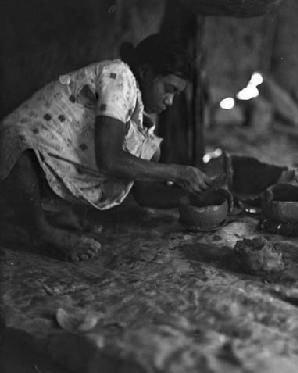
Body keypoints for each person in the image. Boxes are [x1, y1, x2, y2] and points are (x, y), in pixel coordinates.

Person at [0, 34, 211, 262]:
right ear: (146, 71)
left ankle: (56, 214)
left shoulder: (136, 115)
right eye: (168, 89)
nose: (169, 101)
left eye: (175, 94)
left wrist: (196, 198)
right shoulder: (119, 76)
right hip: (9, 151)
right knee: (16, 144)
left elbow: (147, 194)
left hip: (39, 165)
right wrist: (178, 172)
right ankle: (42, 231)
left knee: (150, 151)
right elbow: (110, 160)